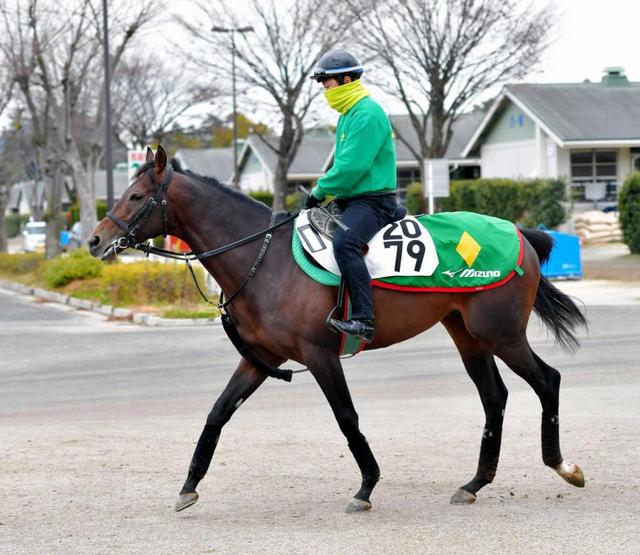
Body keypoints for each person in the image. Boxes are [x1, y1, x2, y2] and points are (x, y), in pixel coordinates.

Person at [307, 48, 399, 343]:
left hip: (374, 202)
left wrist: (319, 191)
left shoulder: (367, 114)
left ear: (346, 80)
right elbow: (343, 165)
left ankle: (363, 319)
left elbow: (350, 167)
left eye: (327, 84)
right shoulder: (348, 114)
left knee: (345, 243)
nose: (325, 91)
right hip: (353, 199)